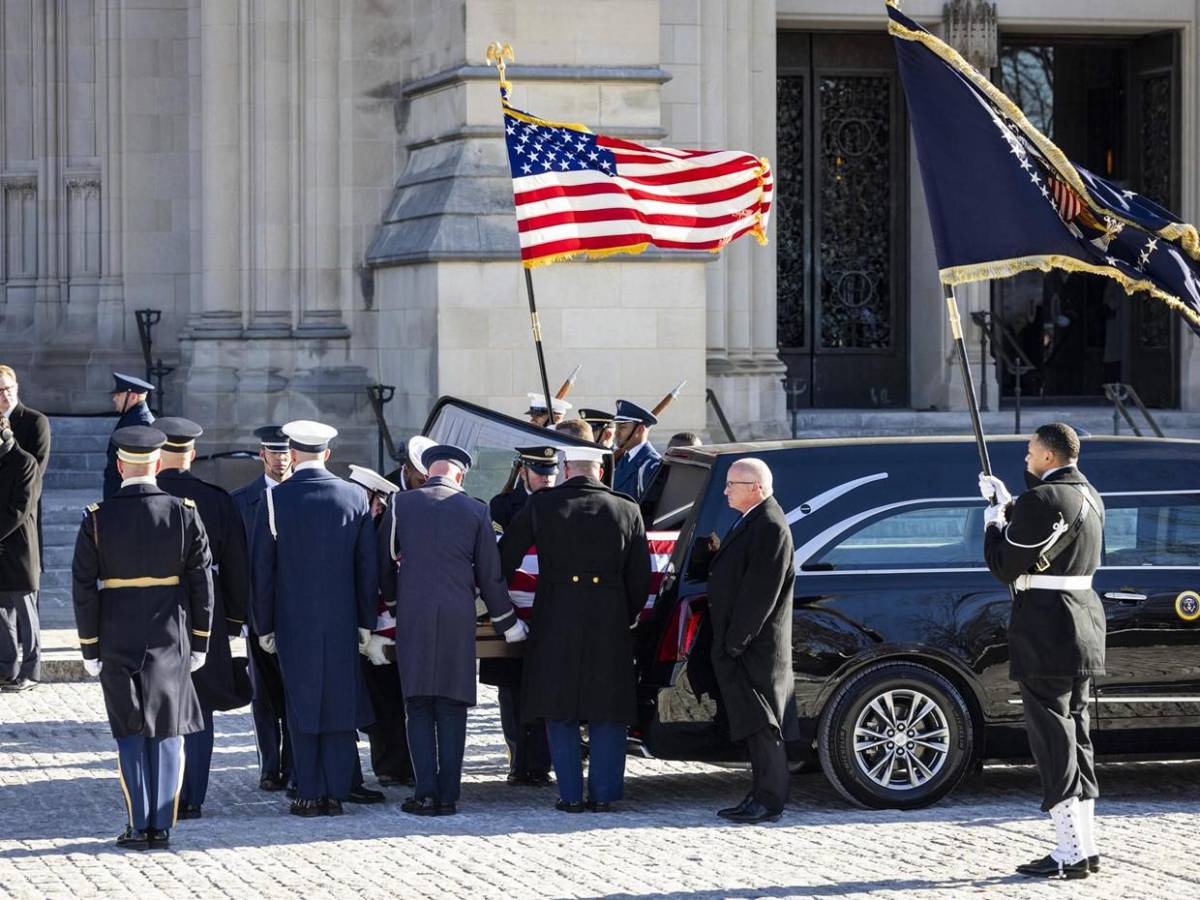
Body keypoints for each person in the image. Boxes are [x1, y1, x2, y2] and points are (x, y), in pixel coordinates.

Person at [71, 425, 214, 850]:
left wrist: (89, 646)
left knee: (129, 730)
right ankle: (161, 825)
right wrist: (201, 640)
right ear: (157, 463)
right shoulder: (183, 512)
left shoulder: (98, 517)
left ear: (120, 466)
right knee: (167, 730)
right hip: (169, 632)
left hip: (116, 632)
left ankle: (138, 825)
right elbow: (202, 582)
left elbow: (83, 587)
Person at [981, 423, 1105, 880]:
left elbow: (1004, 565)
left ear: (1049, 456)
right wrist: (1010, 504)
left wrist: (994, 521)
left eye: (1031, 450)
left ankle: (1070, 852)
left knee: (1054, 741)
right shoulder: (1090, 495)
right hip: (1082, 625)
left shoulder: (1044, 499)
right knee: (1077, 737)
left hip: (1047, 630)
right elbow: (1049, 538)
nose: (1027, 457)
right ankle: (1085, 846)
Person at [499, 445, 651, 813]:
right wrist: (624, 614)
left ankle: (569, 794)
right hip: (609, 617)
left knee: (559, 704)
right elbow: (640, 577)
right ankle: (604, 793)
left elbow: (504, 558)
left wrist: (504, 609)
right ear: (601, 470)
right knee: (607, 707)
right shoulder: (626, 508)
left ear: (566, 469)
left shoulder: (541, 504)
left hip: (555, 614)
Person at [378, 443, 528, 815]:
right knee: (452, 704)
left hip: (413, 616)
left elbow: (383, 564)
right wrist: (507, 622)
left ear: (428, 471)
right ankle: (448, 794)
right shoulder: (476, 510)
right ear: (460, 474)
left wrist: (394, 607)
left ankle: (425, 792)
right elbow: (490, 576)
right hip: (458, 619)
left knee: (418, 705)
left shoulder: (400, 504)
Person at [250, 420, 378, 817]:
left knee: (301, 703)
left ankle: (308, 791)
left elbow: (263, 570)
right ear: (327, 454)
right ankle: (336, 791)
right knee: (339, 700)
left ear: (293, 453)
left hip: (293, 621)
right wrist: (366, 622)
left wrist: (264, 625)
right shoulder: (355, 496)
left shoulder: (275, 499)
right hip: (342, 619)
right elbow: (366, 567)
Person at [155, 418, 252, 819]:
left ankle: (162, 792)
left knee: (157, 705)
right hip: (205, 614)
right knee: (200, 706)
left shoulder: (141, 497)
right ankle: (193, 796)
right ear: (192, 454)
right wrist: (233, 621)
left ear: (156, 454)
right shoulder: (216, 499)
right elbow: (237, 567)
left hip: (151, 614)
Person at [698, 458, 797, 824]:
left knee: (763, 725)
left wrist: (736, 642)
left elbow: (760, 594)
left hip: (755, 648)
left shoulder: (769, 524)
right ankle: (759, 793)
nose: (725, 491)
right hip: (744, 645)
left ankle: (770, 800)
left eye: (732, 484)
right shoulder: (752, 519)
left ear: (755, 488)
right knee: (753, 725)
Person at [483, 446, 560, 787]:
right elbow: (496, 558)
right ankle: (518, 760)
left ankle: (541, 763)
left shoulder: (562, 501)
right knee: (511, 692)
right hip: (512, 611)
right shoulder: (502, 506)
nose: (546, 478)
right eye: (540, 472)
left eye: (551, 472)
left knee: (546, 688)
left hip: (550, 610)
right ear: (524, 471)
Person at [230, 425, 294, 793]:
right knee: (264, 696)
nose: (280, 459)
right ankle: (270, 766)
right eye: (274, 452)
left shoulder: (303, 495)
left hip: (296, 614)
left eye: (285, 452)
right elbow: (236, 563)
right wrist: (239, 614)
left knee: (295, 692)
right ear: (262, 455)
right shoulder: (241, 501)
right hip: (257, 613)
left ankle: (294, 764)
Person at [348, 463, 414, 792]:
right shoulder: (354, 526)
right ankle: (389, 763)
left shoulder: (380, 527)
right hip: (362, 626)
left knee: (392, 699)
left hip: (384, 626)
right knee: (378, 701)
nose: (376, 508)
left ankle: (397, 764)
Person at [0, 414, 41, 691]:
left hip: (20, 551)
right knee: (2, 615)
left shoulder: (25, 462)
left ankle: (31, 671)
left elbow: (19, 509)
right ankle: (7, 669)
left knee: (27, 616)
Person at [0, 365, 50, 576]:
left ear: (17, 387)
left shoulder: (35, 421)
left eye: (8, 388)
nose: (5, 394)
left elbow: (35, 472)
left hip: (20, 514)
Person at [103, 373, 156, 499]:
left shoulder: (141, 423)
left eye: (118, 394)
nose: (114, 399)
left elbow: (140, 469)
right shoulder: (132, 417)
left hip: (129, 497)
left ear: (133, 396)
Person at [612, 399, 661, 502]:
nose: (616, 432)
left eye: (622, 427)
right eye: (617, 427)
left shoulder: (651, 464)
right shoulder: (621, 458)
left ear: (640, 430)